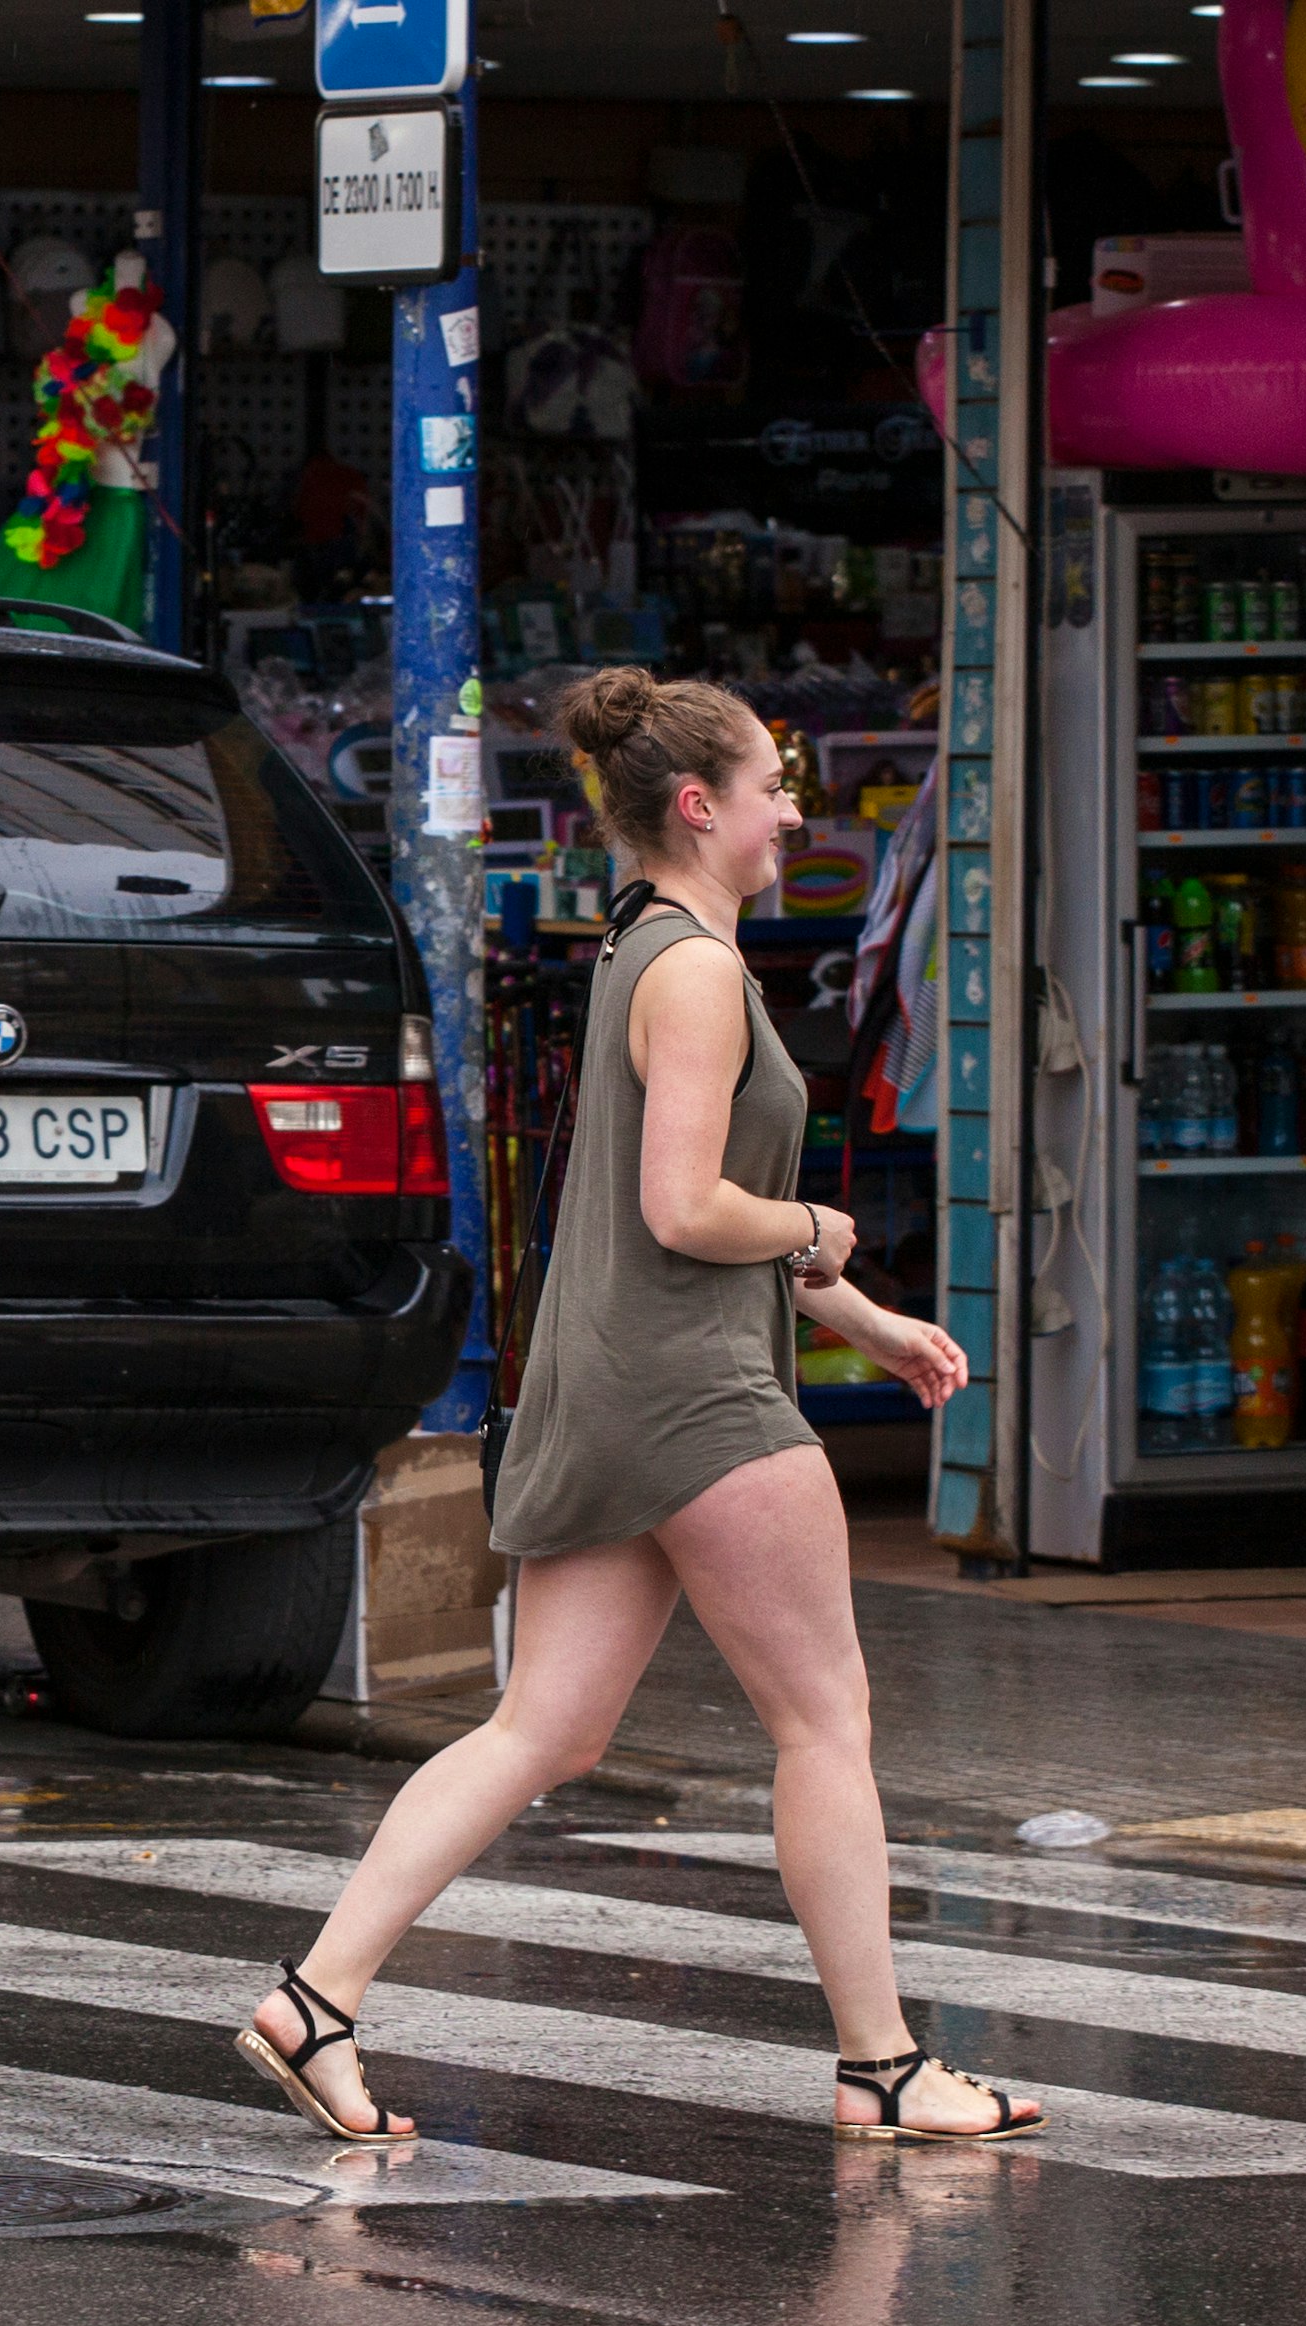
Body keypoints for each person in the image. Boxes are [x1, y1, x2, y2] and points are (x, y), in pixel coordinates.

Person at [237, 668, 1046, 2149]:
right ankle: (883, 2065)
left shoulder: (636, 950)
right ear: (699, 806)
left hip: (608, 1387)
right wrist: (810, 1231)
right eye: (771, 790)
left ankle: (317, 1998)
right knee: (825, 1721)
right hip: (699, 1404)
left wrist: (866, 1318)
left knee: (540, 1728)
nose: (793, 813)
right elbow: (690, 1210)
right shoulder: (695, 974)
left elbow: (663, 1208)